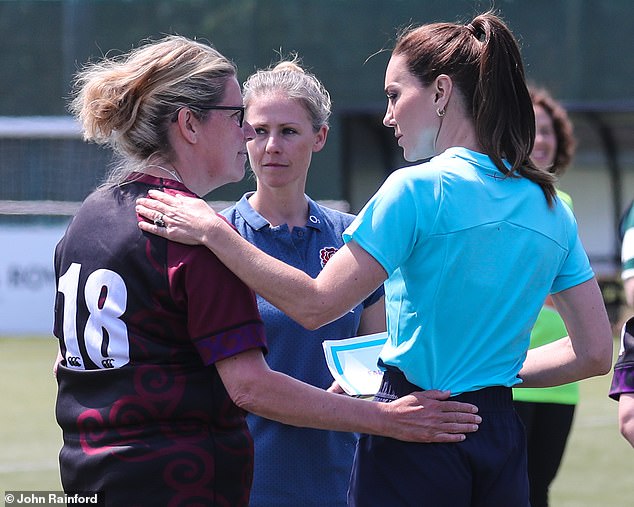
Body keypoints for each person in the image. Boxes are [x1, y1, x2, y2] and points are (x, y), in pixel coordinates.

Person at [136, 13, 613, 507]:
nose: (387, 116)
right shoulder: (549, 203)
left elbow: (317, 304)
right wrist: (489, 376)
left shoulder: (417, 188)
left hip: (414, 431)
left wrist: (213, 229)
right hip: (499, 437)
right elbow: (596, 353)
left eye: (393, 95)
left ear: (441, 92)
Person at [53, 35, 482, 506]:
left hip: (89, 478)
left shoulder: (89, 217)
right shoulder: (200, 237)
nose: (249, 136)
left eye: (286, 130)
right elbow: (251, 387)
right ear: (189, 124)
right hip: (178, 482)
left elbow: (74, 365)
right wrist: (389, 419)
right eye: (239, 119)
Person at [223, 59, 385, 506]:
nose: (272, 145)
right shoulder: (216, 239)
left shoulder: (355, 237)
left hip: (344, 479)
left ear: (320, 137)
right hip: (245, 482)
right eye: (258, 130)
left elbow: (377, 354)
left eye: (289, 131)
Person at [512, 85, 579, 507]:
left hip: (564, 374)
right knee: (510, 490)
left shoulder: (565, 203)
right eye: (533, 130)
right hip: (513, 373)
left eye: (549, 131)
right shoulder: (503, 199)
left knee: (541, 490)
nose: (542, 139)